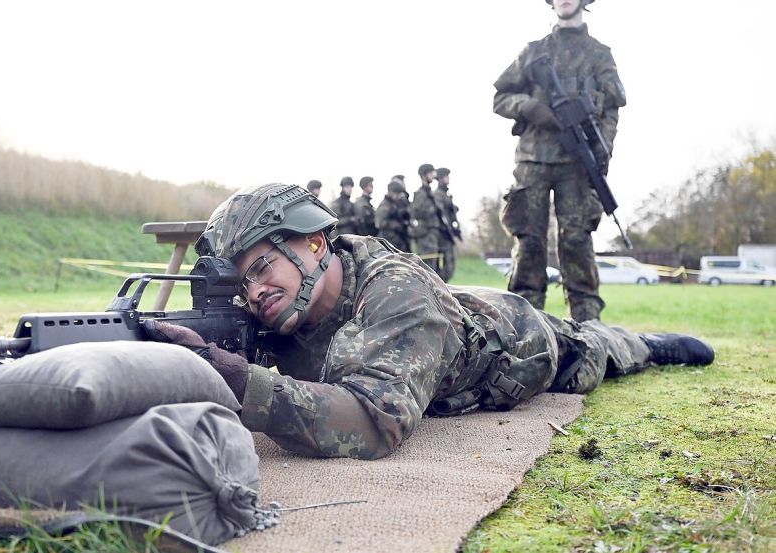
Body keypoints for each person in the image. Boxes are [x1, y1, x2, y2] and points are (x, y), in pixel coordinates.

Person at [146, 184, 714, 460]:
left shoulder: (398, 295)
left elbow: (372, 423)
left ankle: (642, 342)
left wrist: (241, 381)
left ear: (315, 242)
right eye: (241, 280)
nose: (255, 290)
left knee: (587, 351)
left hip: (512, 345)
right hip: (440, 316)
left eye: (264, 265)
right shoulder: (274, 306)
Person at [493, 0, 626, 322]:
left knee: (577, 241)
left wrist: (602, 149)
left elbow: (611, 108)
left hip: (577, 163)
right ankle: (523, 325)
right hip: (533, 161)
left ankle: (588, 325)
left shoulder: (599, 54)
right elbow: (500, 98)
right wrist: (529, 108)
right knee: (529, 242)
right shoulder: (534, 51)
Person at [409, 164, 444, 277]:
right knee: (427, 267)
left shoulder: (431, 193)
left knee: (434, 267)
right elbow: (417, 212)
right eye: (430, 173)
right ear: (424, 175)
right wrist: (433, 209)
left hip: (433, 234)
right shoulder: (420, 194)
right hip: (425, 234)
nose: (432, 176)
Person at [432, 167, 462, 281]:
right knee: (444, 268)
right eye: (446, 176)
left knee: (450, 266)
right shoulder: (438, 194)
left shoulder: (446, 194)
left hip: (448, 235)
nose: (448, 178)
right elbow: (440, 214)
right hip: (442, 236)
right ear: (439, 178)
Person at [375, 179, 411, 252]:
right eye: (397, 194)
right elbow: (379, 223)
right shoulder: (385, 205)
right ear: (391, 192)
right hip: (389, 240)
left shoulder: (395, 204)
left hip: (398, 240)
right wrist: (396, 225)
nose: (398, 196)